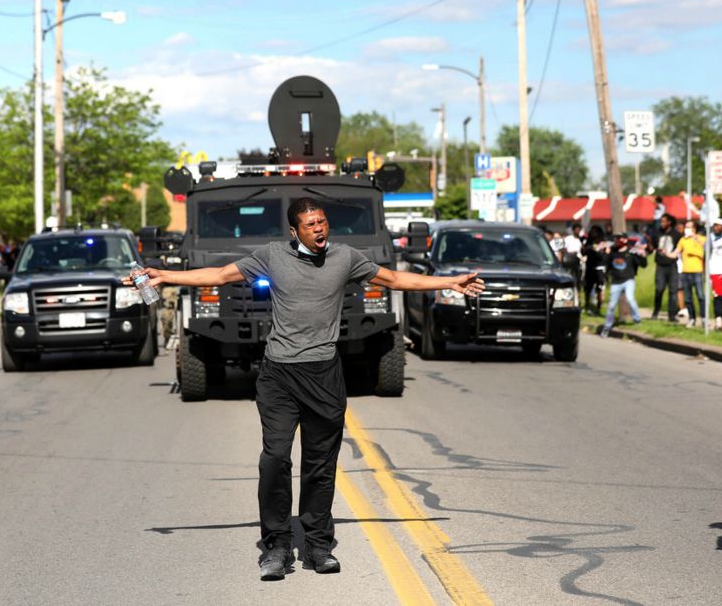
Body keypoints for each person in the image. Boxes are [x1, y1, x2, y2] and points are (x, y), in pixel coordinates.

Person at [126, 197, 485, 581]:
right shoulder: (271, 256)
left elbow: (396, 280)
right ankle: (277, 545)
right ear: (294, 231)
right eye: (310, 224)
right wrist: (165, 275)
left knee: (320, 465)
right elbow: (219, 275)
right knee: (275, 459)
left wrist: (450, 282)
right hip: (279, 374)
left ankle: (317, 545)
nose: (319, 228)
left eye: (323, 221)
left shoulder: (345, 257)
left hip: (324, 376)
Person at [600, 234, 647, 337]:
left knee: (630, 299)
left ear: (625, 240)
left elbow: (643, 264)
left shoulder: (631, 252)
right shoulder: (613, 253)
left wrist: (643, 255)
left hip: (628, 280)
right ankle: (607, 326)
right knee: (611, 305)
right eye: (616, 239)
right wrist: (606, 253)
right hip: (616, 282)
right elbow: (604, 262)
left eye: (620, 239)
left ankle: (637, 319)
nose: (618, 241)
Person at [650, 214, 681, 322]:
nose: (662, 223)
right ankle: (656, 311)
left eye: (664, 221)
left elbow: (679, 249)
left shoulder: (677, 234)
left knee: (673, 290)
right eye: (661, 221)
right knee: (659, 289)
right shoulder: (657, 233)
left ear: (669, 222)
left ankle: (671, 314)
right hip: (660, 265)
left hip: (672, 265)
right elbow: (652, 246)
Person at [676, 220, 706, 327]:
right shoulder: (683, 240)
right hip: (685, 271)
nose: (687, 230)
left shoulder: (701, 239)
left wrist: (696, 238)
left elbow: (706, 249)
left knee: (700, 295)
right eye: (686, 227)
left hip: (697, 270)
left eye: (689, 227)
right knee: (688, 297)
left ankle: (704, 318)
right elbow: (677, 252)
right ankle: (692, 318)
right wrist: (666, 254)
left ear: (694, 229)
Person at [583, 226, 607, 315]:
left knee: (599, 288)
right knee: (587, 288)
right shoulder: (588, 243)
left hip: (599, 268)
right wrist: (586, 247)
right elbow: (583, 252)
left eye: (595, 232)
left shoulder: (602, 243)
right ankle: (587, 305)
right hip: (589, 268)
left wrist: (597, 249)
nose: (594, 234)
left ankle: (599, 307)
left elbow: (602, 256)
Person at [562, 224, 584, 290]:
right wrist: (571, 253)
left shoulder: (581, 239)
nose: (578, 231)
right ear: (573, 230)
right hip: (570, 260)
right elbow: (563, 249)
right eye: (577, 229)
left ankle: (578, 290)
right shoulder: (568, 239)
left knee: (579, 277)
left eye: (579, 229)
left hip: (579, 261)